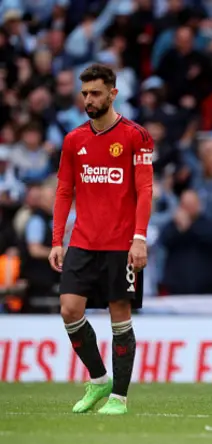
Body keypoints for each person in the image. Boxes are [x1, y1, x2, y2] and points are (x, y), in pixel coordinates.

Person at [48, 64, 153, 415]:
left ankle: (119, 398)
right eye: (85, 94)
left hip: (120, 243)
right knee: (69, 310)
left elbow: (145, 189)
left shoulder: (136, 136)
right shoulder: (73, 140)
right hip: (82, 241)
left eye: (95, 93)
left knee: (119, 315)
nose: (88, 100)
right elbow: (64, 191)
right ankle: (98, 379)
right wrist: (56, 239)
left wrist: (139, 238)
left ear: (113, 93)